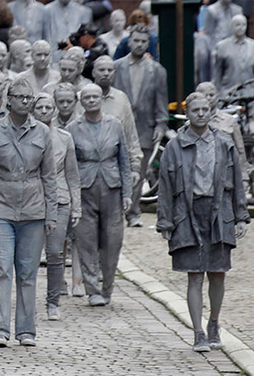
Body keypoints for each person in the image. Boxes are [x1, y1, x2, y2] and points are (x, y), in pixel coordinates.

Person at [156, 92, 250, 352]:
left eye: (204, 109)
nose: (199, 114)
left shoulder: (224, 143)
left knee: (218, 273)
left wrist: (241, 216)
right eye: (194, 110)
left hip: (219, 211)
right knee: (194, 274)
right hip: (187, 211)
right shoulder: (175, 146)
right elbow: (165, 186)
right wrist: (165, 222)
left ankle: (214, 323)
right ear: (187, 114)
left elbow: (237, 184)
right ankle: (197, 332)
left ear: (211, 112)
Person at [0, 78, 56, 347]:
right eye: (20, 97)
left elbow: (49, 176)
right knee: (1, 268)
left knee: (27, 271)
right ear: (8, 100)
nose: (26, 101)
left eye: (29, 97)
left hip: (33, 209)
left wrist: (51, 214)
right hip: (0, 207)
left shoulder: (43, 132)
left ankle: (26, 330)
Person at [67, 84, 132, 307]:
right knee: (86, 239)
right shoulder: (73, 128)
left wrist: (127, 193)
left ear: (101, 100)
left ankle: (108, 286)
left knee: (113, 240)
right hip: (85, 188)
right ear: (81, 102)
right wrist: (73, 196)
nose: (92, 100)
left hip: (112, 187)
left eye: (96, 97)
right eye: (87, 97)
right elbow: (70, 166)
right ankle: (92, 288)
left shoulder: (115, 125)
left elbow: (124, 160)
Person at [113, 25, 168, 228]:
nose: (139, 44)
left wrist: (161, 125)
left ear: (149, 44)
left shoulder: (158, 71)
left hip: (145, 126)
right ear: (129, 41)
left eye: (143, 41)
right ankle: (117, 211)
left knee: (139, 171)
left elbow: (161, 102)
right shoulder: (117, 67)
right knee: (117, 170)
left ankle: (134, 212)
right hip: (119, 125)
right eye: (136, 40)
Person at [32, 93, 81, 321]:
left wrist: (76, 205)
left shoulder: (64, 138)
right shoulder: (27, 136)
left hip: (60, 200)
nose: (44, 111)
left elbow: (72, 174)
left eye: (47, 107)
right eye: (39, 107)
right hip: (32, 199)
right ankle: (27, 298)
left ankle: (53, 302)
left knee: (55, 252)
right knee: (29, 254)